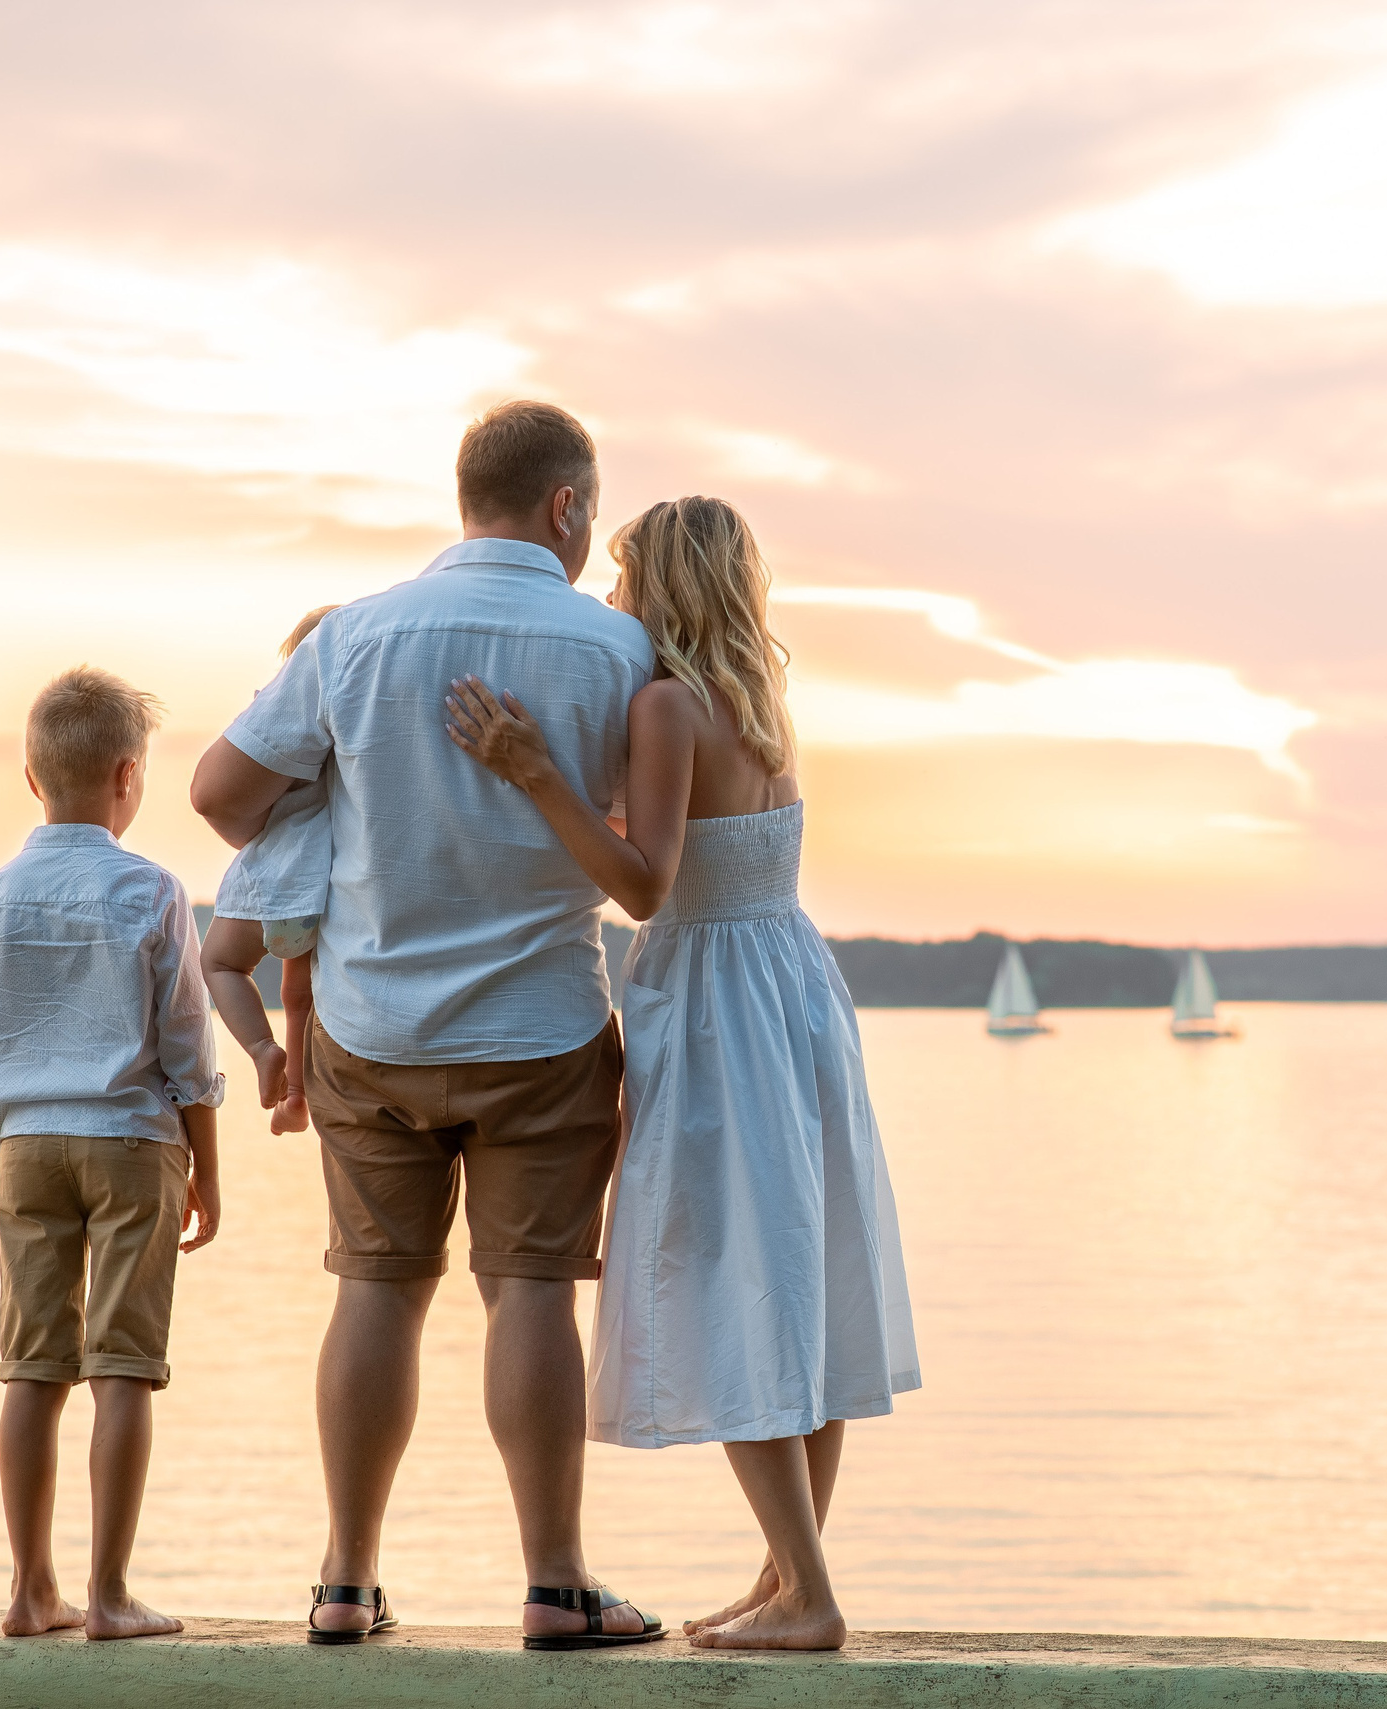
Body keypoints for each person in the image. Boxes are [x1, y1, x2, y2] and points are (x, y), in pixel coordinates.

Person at [189, 401, 666, 1649]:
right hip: (544, 1028)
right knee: (529, 1297)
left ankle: (345, 1581)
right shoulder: (614, 648)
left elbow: (219, 796)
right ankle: (557, 1587)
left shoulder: (354, 636)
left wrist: (348, 786)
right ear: (566, 506)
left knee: (377, 1294)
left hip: (371, 1026)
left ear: (466, 493)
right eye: (591, 510)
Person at [445, 495, 920, 1653]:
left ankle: (807, 1593)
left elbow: (646, 886)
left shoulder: (666, 703)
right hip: (791, 992)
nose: (611, 600)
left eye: (623, 577)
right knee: (799, 1284)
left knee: (736, 1289)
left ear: (663, 583)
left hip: (719, 1008)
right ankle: (783, 1574)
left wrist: (532, 772)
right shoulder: (760, 703)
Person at [0, 665, 224, 1641]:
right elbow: (188, 1045)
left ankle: (31, 1590)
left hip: (24, 1141)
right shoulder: (149, 888)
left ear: (32, 778)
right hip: (130, 1141)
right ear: (128, 775)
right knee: (122, 1364)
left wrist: (9, 1143)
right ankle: (111, 1593)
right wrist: (207, 1168)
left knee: (32, 1363)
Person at [200, 604, 340, 1135]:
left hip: (277, 876)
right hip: (328, 881)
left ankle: (262, 1049)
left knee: (220, 964)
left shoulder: (280, 714)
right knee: (298, 994)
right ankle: (299, 1097)